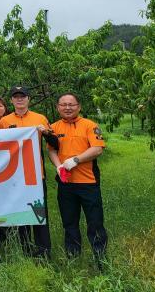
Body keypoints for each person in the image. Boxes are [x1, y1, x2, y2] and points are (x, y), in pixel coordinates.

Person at [0, 86, 57, 259]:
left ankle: (44, 251)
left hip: (36, 175)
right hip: (14, 176)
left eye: (22, 96)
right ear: (11, 101)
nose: (19, 100)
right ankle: (25, 249)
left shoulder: (40, 118)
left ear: (28, 99)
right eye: (16, 97)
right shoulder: (4, 121)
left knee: (39, 214)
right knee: (20, 213)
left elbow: (55, 143)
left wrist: (45, 132)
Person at [48, 92, 107, 267]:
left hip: (88, 183)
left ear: (79, 107)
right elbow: (51, 150)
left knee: (95, 222)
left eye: (71, 104)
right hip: (66, 184)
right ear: (58, 107)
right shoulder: (54, 127)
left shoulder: (89, 125)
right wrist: (58, 166)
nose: (67, 107)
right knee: (69, 222)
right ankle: (73, 258)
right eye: (63, 104)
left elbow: (97, 149)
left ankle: (101, 260)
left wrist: (76, 160)